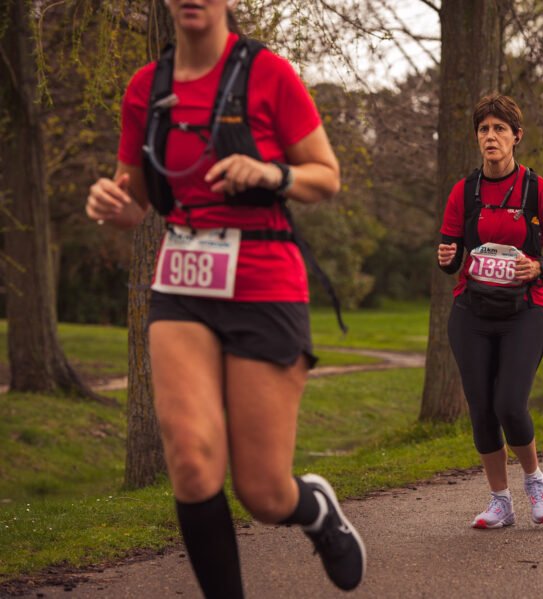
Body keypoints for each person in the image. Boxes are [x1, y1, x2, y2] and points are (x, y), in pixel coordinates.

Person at [84, 1, 365, 595]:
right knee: (189, 462)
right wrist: (117, 208)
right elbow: (135, 199)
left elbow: (326, 175)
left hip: (264, 280)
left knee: (263, 493)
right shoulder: (146, 88)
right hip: (182, 282)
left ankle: (313, 508)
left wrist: (272, 174)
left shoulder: (269, 74)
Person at [437, 94, 543, 529]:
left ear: (516, 137)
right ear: (477, 139)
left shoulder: (538, 189)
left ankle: (535, 482)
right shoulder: (464, 191)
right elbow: (451, 253)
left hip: (524, 311)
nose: (490, 136)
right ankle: (500, 501)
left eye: (499, 129)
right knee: (480, 408)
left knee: (510, 404)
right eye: (483, 130)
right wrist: (445, 257)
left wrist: (540, 265)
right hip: (471, 312)